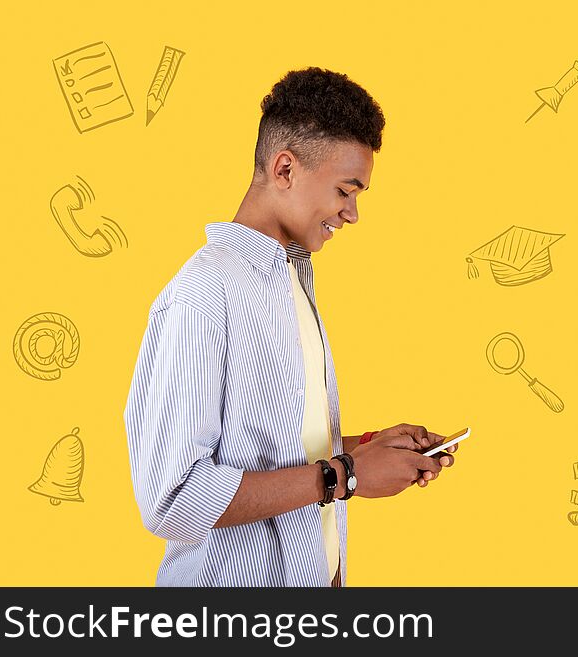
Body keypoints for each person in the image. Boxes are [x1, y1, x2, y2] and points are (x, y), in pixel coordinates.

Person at [123, 67, 458, 587]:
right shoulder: (203, 294)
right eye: (346, 190)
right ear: (284, 170)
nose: (352, 213)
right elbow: (174, 498)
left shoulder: (291, 283)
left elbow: (263, 448)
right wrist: (344, 477)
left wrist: (365, 449)